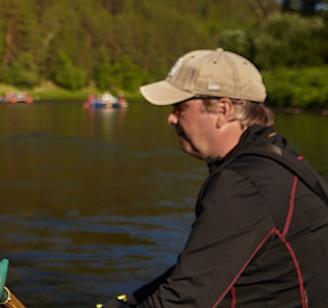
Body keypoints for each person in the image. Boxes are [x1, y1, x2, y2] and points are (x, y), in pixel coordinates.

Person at [98, 48, 328, 308]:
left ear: (223, 109)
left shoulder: (242, 185)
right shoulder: (279, 157)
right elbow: (197, 273)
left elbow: (182, 301)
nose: (171, 118)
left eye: (180, 107)